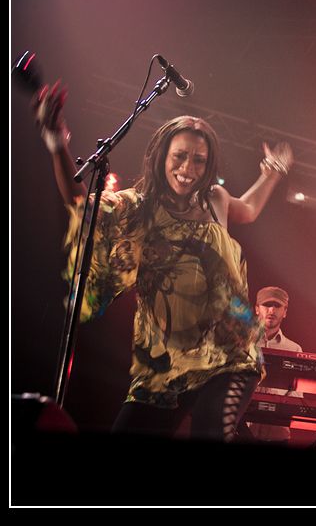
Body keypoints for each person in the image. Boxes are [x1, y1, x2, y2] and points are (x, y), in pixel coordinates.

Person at [34, 81, 294, 441]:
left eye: (199, 160)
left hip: (228, 355)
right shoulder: (140, 207)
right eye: (180, 156)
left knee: (210, 431)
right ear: (162, 157)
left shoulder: (215, 198)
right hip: (164, 363)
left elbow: (248, 208)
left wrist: (273, 171)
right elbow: (81, 201)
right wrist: (56, 144)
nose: (188, 168)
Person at [245, 286, 303, 444]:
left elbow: (297, 394)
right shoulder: (242, 342)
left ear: (285, 312)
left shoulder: (294, 349)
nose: (271, 310)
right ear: (257, 309)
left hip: (277, 436)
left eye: (277, 306)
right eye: (267, 305)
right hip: (240, 430)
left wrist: (277, 408)